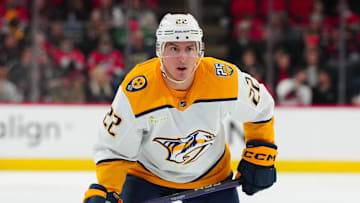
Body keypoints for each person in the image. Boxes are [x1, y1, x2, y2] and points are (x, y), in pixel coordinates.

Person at [83, 13, 277, 203]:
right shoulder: (137, 90)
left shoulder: (224, 80)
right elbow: (114, 148)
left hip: (210, 177)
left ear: (199, 50)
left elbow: (261, 108)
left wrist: (261, 151)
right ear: (160, 50)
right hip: (146, 177)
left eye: (189, 48)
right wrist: (107, 189)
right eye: (174, 49)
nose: (182, 58)